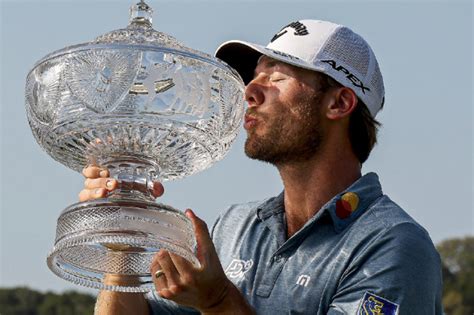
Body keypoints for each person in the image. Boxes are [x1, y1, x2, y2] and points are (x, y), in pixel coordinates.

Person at [83, 20, 443, 314]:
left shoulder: (393, 245)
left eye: (276, 78)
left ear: (339, 103)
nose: (249, 93)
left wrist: (219, 302)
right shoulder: (235, 227)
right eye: (252, 79)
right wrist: (123, 237)